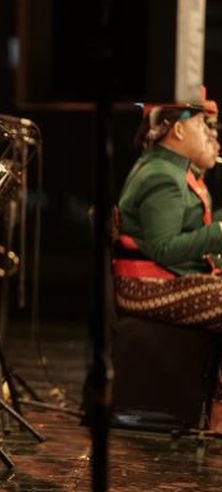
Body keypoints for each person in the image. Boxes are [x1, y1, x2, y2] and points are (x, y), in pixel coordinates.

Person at [113, 94, 222, 428]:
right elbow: (164, 249)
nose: (207, 131)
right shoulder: (162, 175)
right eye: (200, 123)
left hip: (162, 279)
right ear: (177, 130)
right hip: (146, 287)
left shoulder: (167, 168)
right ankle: (218, 412)